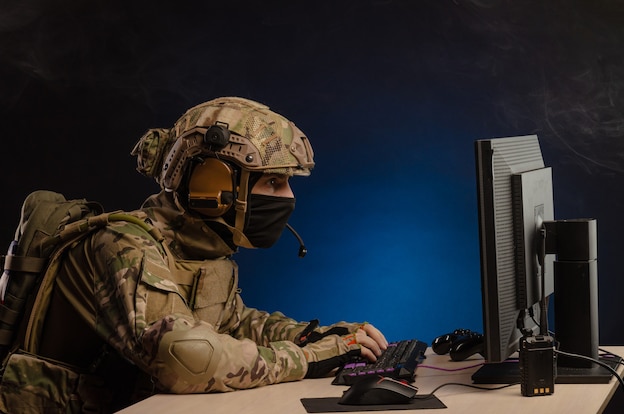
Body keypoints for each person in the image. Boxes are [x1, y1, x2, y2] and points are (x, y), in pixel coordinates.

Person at [0, 97, 388, 413]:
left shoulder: (203, 253)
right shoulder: (123, 244)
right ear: (212, 183)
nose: (288, 198)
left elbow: (233, 324)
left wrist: (321, 338)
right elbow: (184, 359)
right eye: (274, 181)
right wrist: (305, 359)